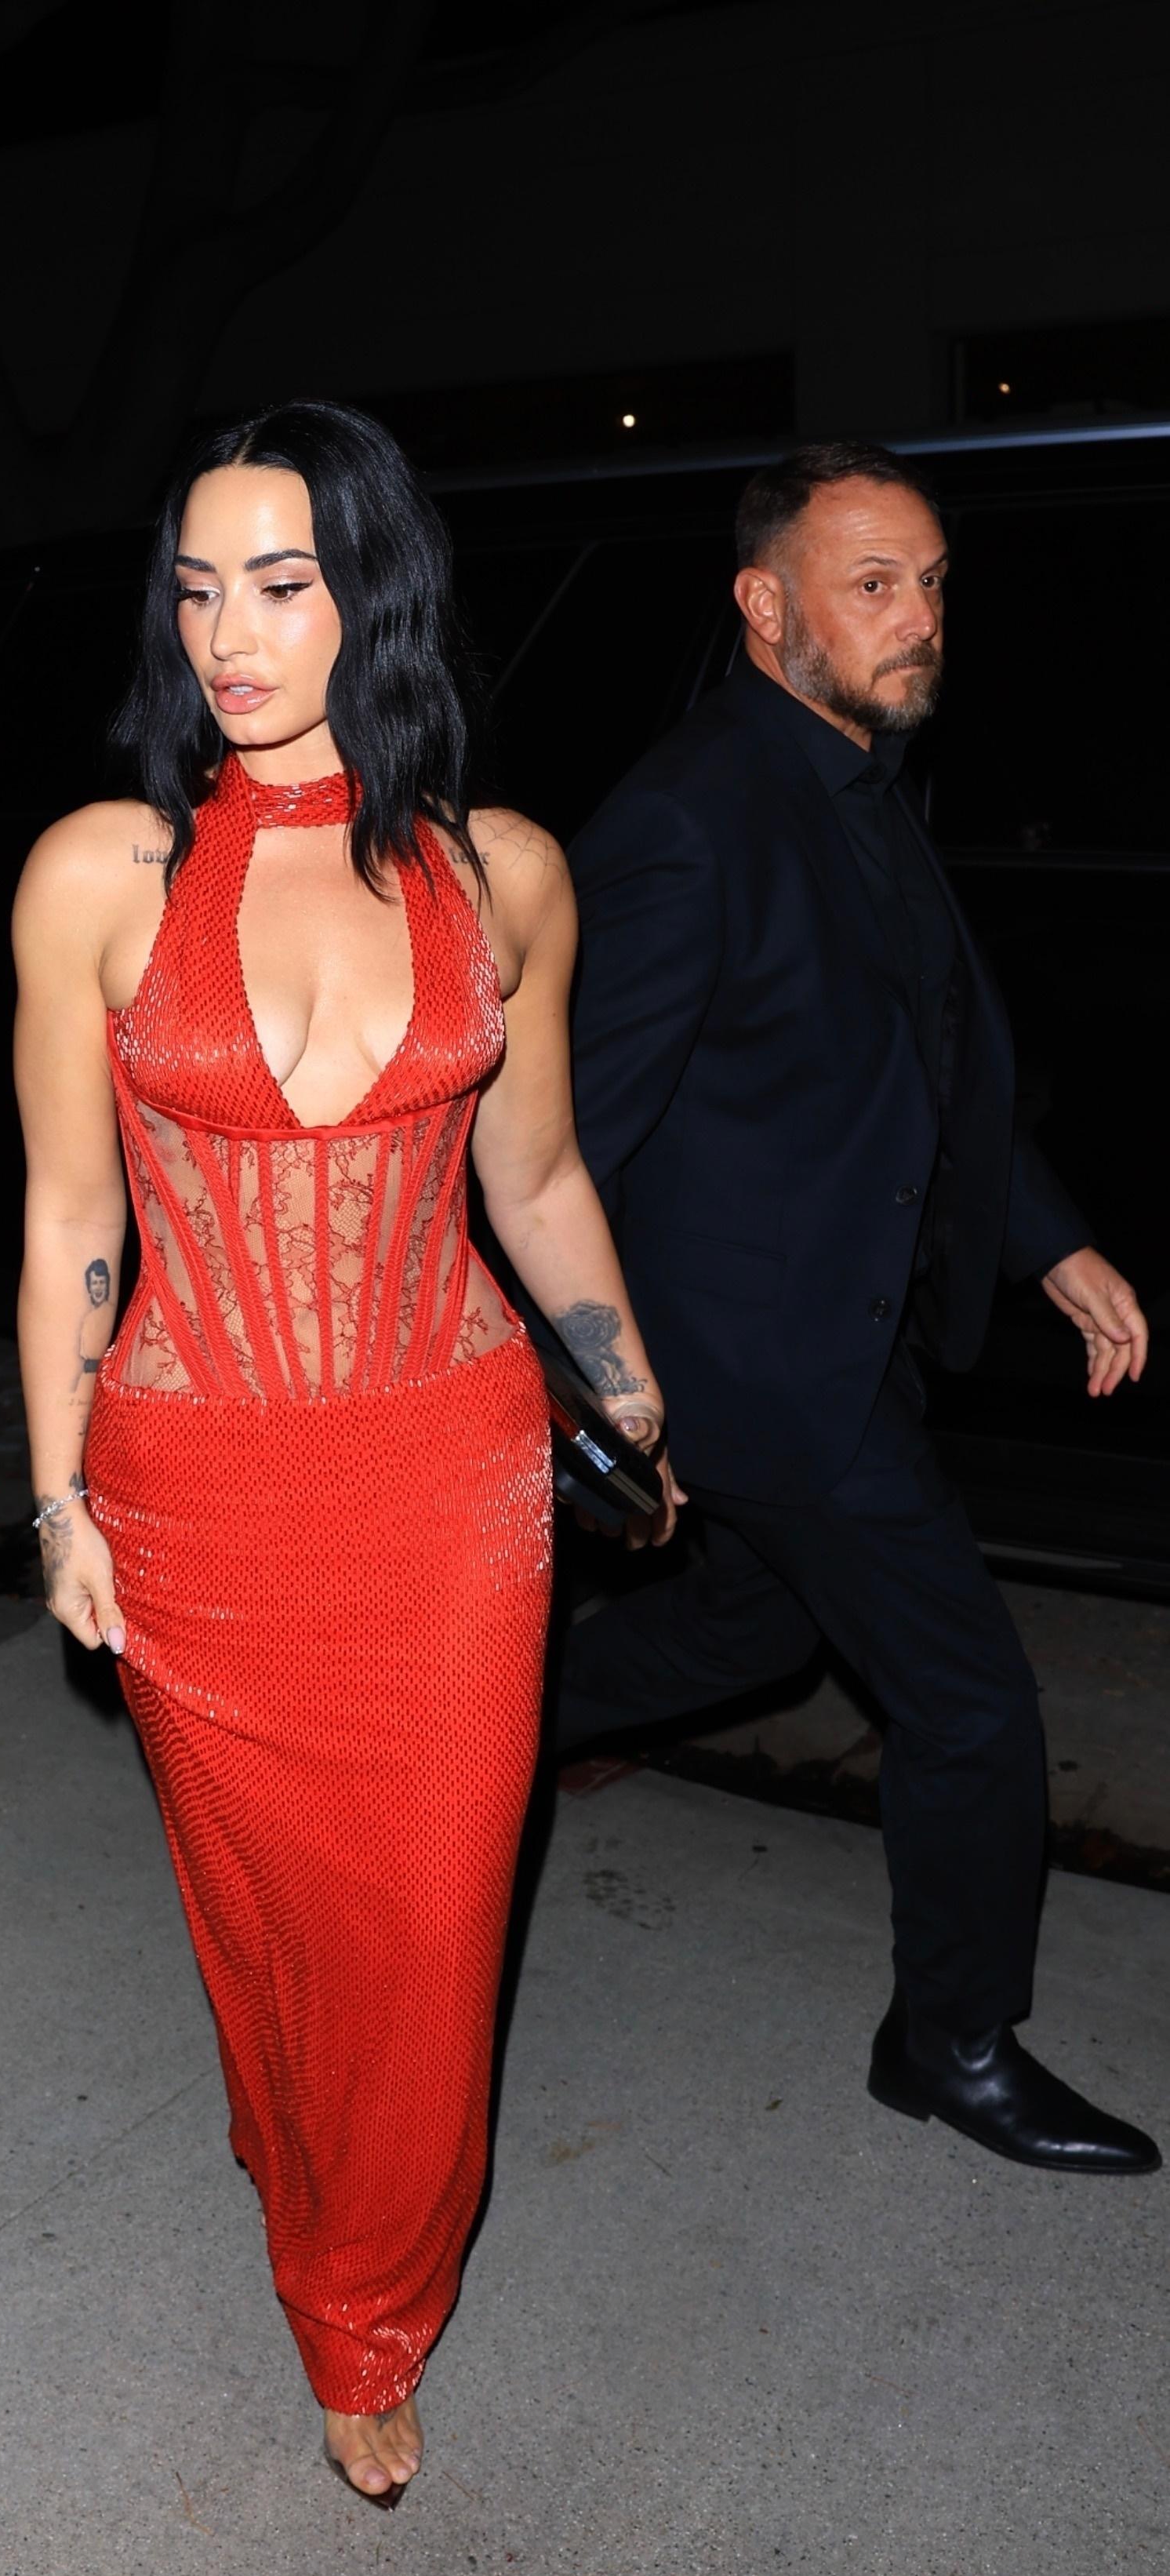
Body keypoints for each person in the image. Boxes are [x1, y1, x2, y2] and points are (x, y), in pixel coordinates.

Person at [13, 401, 681, 2502]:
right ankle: (304, 2158)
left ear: (372, 597)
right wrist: (56, 1498)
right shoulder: (96, 873)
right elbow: (69, 1216)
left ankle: (361, 2302)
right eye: (196, 589)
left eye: (281, 585)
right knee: (269, 1922)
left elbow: (538, 1176)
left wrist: (630, 1395)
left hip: (446, 1485)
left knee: (428, 1925)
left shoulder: (503, 875)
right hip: (195, 1490)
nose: (228, 635)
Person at [548, 439, 1157, 2177]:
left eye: (934, 583)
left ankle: (482, 1728)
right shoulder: (686, 820)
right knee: (970, 1704)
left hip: (847, 1326)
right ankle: (948, 2043)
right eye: (875, 585)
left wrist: (1047, 1242)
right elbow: (565, 1141)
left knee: (750, 1635)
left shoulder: (857, 775)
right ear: (766, 604)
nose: (921, 618)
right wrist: (597, 1395)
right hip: (751, 1364)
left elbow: (926, 1056)